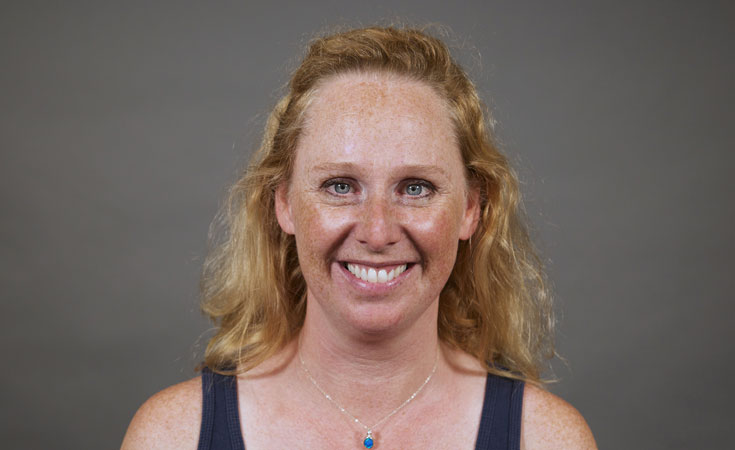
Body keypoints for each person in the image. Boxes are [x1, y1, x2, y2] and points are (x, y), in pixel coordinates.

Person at [121, 26, 596, 449]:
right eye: (340, 186)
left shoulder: (547, 439)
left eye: (416, 188)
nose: (377, 231)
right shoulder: (172, 436)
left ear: (471, 208)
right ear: (283, 202)